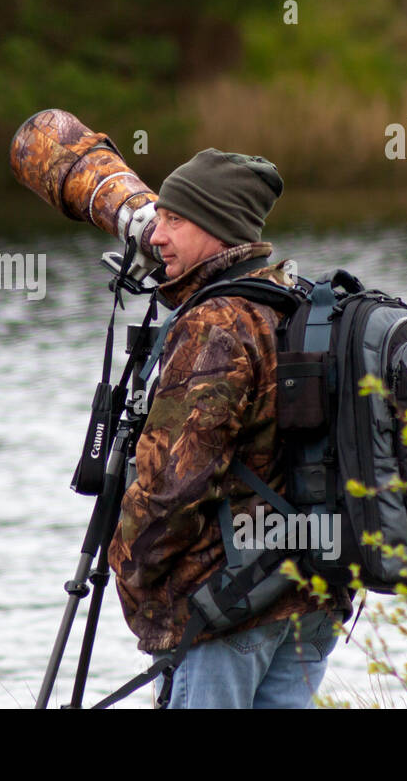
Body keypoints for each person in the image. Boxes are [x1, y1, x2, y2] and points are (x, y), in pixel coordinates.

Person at [106, 148, 351, 709]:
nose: (155, 236)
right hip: (310, 594)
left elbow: (174, 484)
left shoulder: (217, 322)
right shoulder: (296, 302)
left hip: (229, 605)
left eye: (173, 220)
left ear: (217, 228)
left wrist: (129, 567)